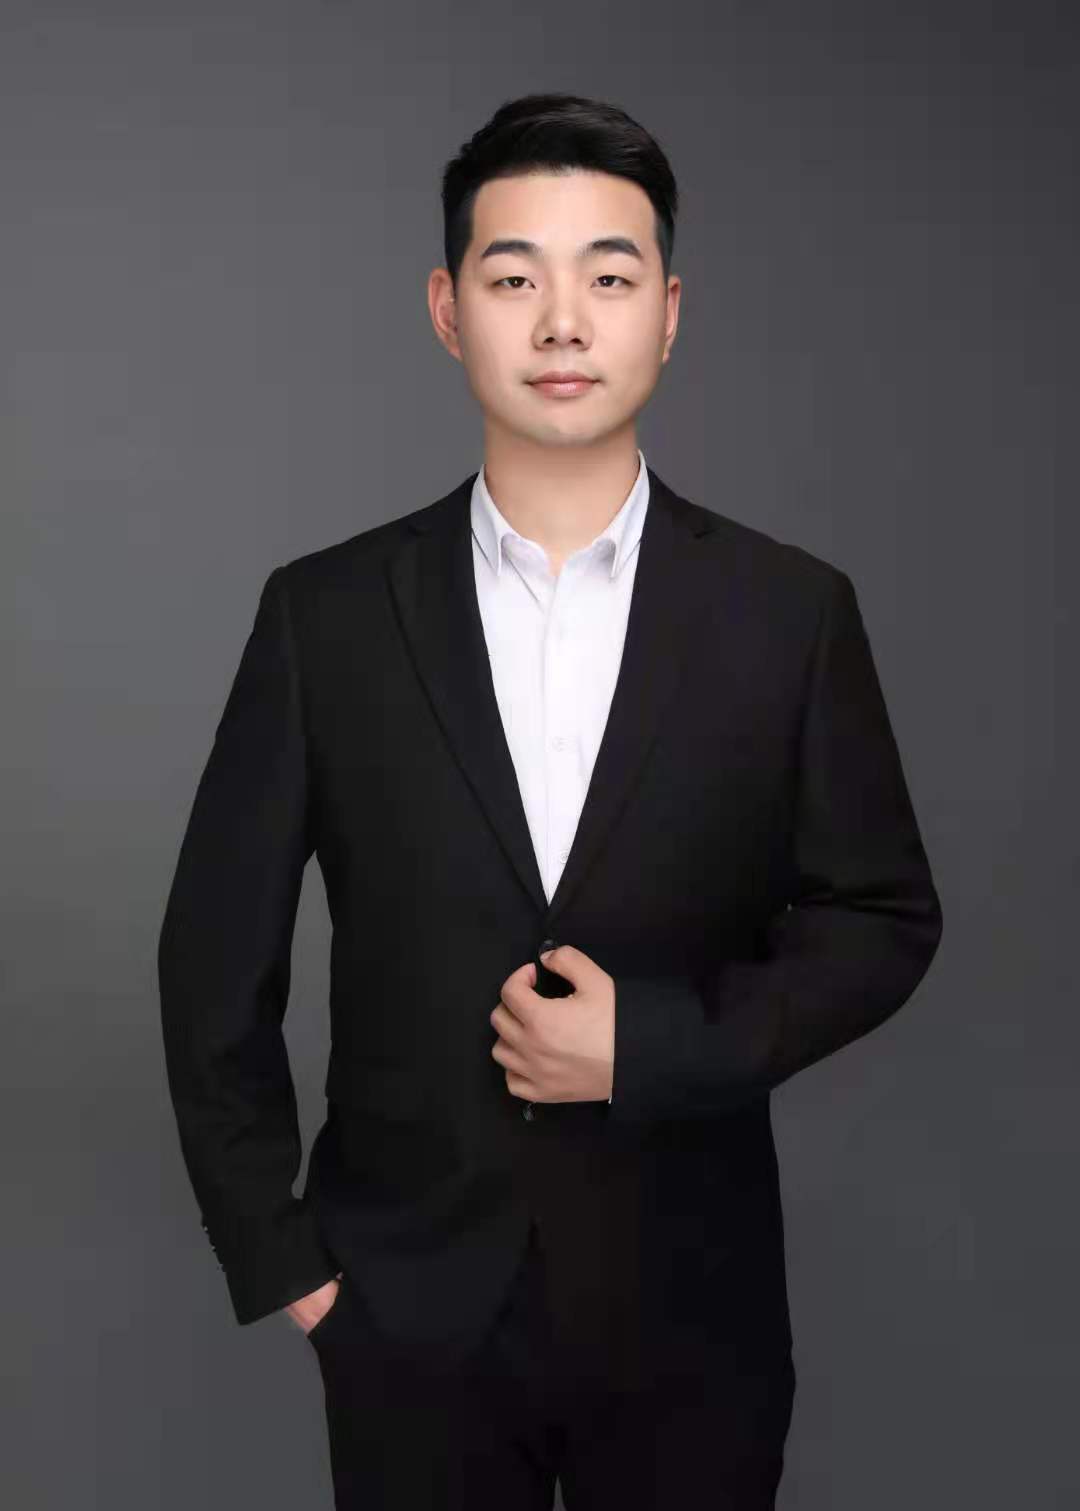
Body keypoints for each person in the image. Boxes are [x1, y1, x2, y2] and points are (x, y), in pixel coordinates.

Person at [158, 91, 943, 1510]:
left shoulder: (790, 613)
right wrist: (284, 1261)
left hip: (695, 1316)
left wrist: (656, 1046)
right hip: (406, 1314)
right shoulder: (325, 617)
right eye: (516, 278)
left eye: (610, 278)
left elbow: (881, 917)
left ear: (670, 314)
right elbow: (212, 959)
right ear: (449, 310)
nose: (564, 322)